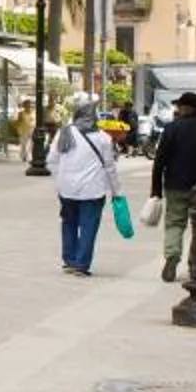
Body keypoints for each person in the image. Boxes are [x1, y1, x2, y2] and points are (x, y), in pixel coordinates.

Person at [148, 90, 196, 284]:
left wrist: (156, 188)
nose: (177, 108)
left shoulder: (172, 128)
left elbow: (160, 160)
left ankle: (172, 257)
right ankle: (194, 263)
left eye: (179, 105)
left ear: (186, 108)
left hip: (175, 184)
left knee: (174, 223)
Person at [49, 110, 123, 275]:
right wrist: (116, 190)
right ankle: (82, 265)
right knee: (88, 226)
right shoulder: (104, 138)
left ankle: (69, 260)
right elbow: (110, 167)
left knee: (69, 222)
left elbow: (51, 160)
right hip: (93, 190)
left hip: (67, 189)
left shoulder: (64, 133)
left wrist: (60, 178)